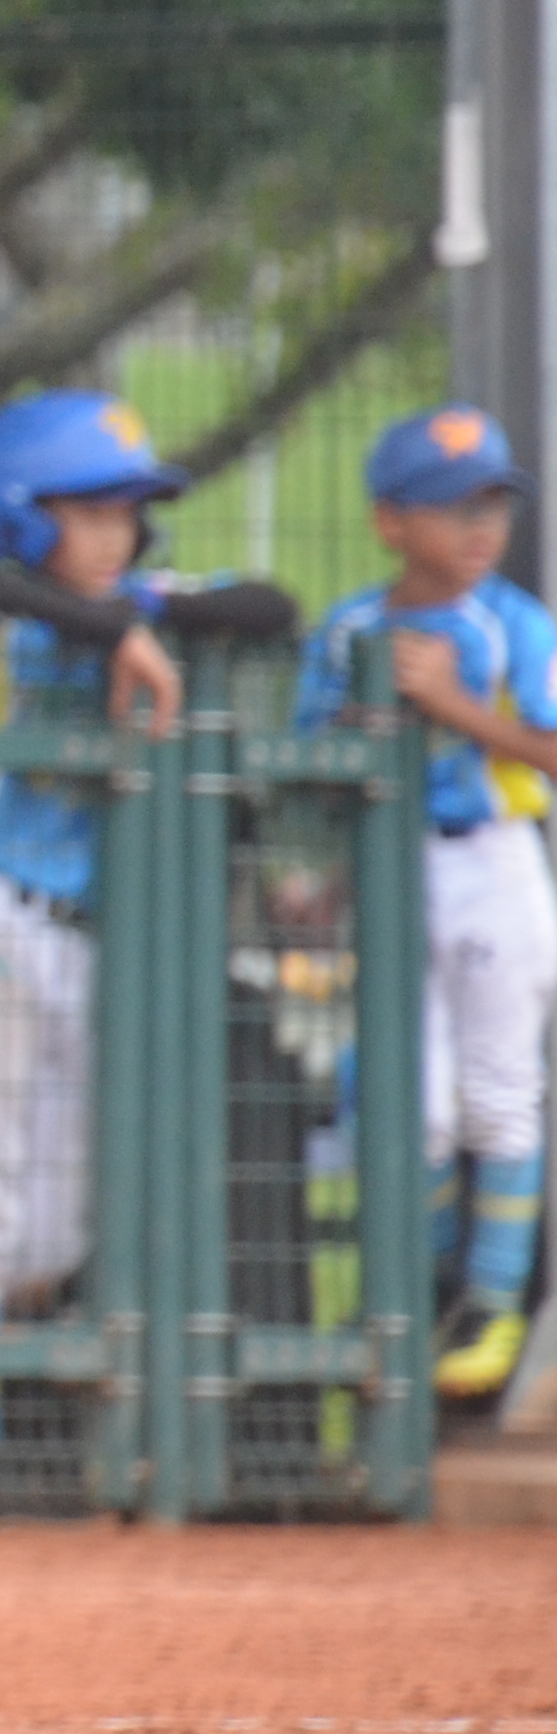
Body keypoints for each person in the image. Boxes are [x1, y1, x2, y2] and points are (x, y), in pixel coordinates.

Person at [0, 391, 295, 1519]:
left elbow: (269, 604)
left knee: (55, 1228)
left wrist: (151, 619)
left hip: (81, 953)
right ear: (18, 515)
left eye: (125, 516)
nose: (115, 538)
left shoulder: (136, 600)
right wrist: (124, 634)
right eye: (86, 514)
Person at [293, 404, 557, 1406]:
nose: (478, 525)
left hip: (491, 861)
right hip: (389, 864)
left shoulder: (513, 625)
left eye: (491, 503)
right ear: (389, 521)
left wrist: (450, 710)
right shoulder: (352, 627)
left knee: (496, 1090)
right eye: (452, 507)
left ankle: (488, 1304)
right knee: (411, 1100)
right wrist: (354, 736)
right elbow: (303, 761)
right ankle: (427, 1288)